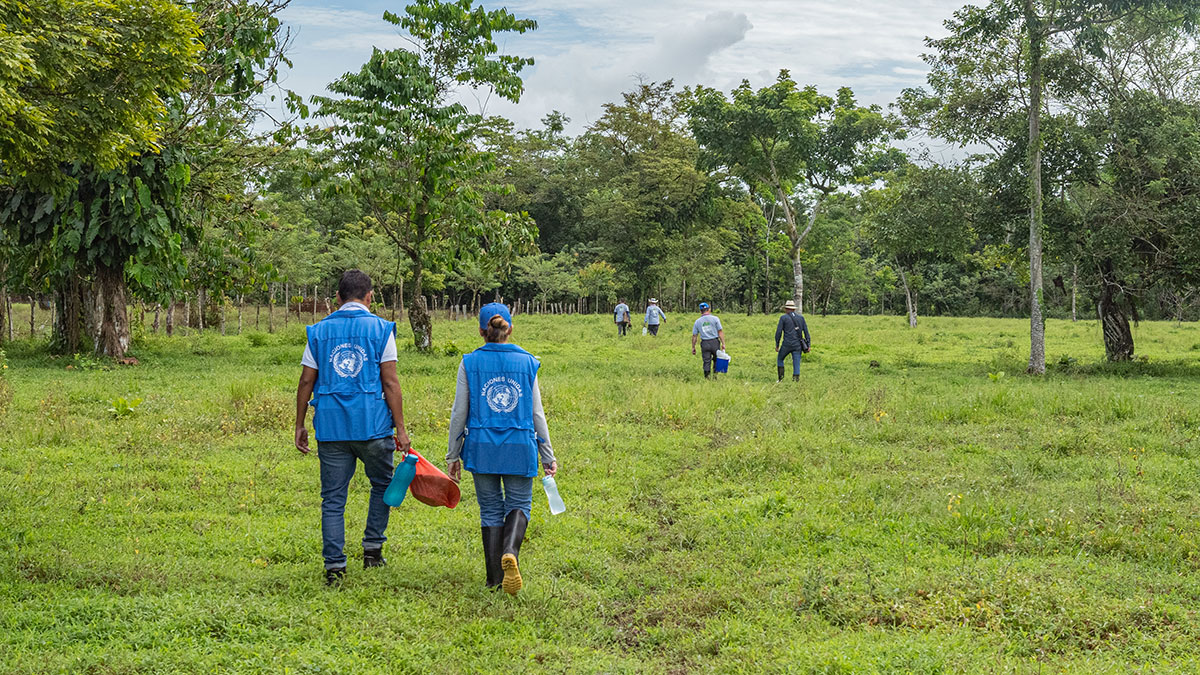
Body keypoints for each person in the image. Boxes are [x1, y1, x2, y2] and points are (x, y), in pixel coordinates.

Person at [294, 270, 412, 586]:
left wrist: (299, 424)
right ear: (369, 296)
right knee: (382, 485)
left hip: (331, 428)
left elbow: (307, 380)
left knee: (333, 498)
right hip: (373, 426)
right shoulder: (381, 329)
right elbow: (390, 381)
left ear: (337, 297)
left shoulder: (319, 332)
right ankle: (373, 550)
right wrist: (400, 429)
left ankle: (335, 567)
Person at [447, 303, 558, 595]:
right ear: (511, 328)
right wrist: (547, 455)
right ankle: (511, 552)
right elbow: (537, 414)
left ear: (481, 330)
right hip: (519, 445)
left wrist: (452, 454)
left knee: (490, 510)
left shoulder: (470, 362)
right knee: (520, 504)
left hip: (481, 447)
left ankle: (494, 580)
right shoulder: (527, 361)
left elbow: (459, 412)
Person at [775, 300, 811, 382]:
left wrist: (777, 344)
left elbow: (778, 332)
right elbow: (806, 332)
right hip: (798, 344)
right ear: (794, 309)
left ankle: (780, 379)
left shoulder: (783, 318)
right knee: (796, 362)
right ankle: (795, 381)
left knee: (780, 359)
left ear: (786, 309)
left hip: (786, 344)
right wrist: (808, 345)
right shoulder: (801, 318)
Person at [691, 302, 726, 379]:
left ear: (700, 311)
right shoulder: (715, 319)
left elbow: (694, 335)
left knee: (706, 361)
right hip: (715, 342)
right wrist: (723, 344)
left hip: (705, 343)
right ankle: (715, 376)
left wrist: (693, 347)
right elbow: (720, 332)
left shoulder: (697, 321)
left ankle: (707, 378)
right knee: (716, 360)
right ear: (709, 310)